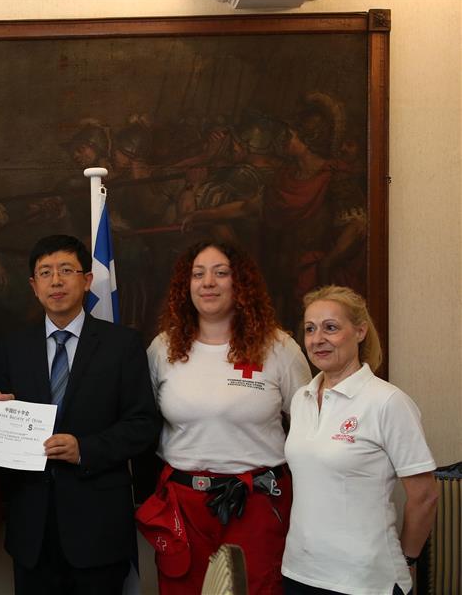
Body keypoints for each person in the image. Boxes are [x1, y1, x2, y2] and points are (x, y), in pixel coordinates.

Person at [0, 234, 159, 595]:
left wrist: (85, 449)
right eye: (46, 273)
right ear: (33, 286)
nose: (56, 281)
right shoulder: (12, 347)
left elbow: (143, 424)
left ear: (87, 280)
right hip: (31, 529)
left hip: (98, 526)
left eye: (66, 270)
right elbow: (2, 422)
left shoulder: (123, 345)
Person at [146, 240, 311, 594]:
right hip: (183, 506)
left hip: (257, 503)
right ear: (186, 285)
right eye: (198, 274)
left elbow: (310, 429)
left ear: (241, 283)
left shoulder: (279, 348)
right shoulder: (163, 348)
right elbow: (138, 420)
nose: (208, 282)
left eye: (221, 273)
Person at [282, 286, 439, 595]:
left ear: (360, 331)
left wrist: (408, 559)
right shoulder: (301, 399)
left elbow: (425, 496)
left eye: (330, 328)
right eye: (310, 329)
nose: (317, 339)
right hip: (299, 572)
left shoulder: (388, 402)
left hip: (365, 579)